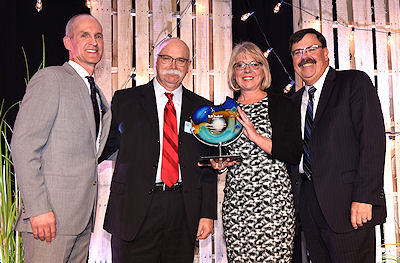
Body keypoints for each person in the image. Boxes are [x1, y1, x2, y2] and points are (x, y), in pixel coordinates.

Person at [99, 37, 217, 263]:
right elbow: (103, 146)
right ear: (155, 61)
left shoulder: (202, 108)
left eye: (181, 60)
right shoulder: (126, 100)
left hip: (183, 210)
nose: (174, 66)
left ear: (189, 66)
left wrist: (207, 213)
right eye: (167, 58)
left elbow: (207, 163)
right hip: (133, 210)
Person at [10, 14, 111, 262]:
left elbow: (95, 149)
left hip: (81, 220)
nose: (94, 42)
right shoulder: (50, 78)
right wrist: (38, 209)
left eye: (98, 36)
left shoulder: (96, 93)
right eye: (84, 35)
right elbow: (24, 147)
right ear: (68, 42)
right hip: (48, 220)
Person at [289, 28, 386, 263]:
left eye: (311, 49)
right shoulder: (292, 102)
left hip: (349, 204)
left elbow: (372, 142)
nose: (305, 57)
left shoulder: (353, 83)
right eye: (297, 52)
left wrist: (365, 197)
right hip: (308, 204)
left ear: (325, 54)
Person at [208, 41, 302, 262]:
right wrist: (218, 164)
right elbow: (216, 153)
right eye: (240, 65)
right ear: (233, 72)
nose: (247, 70)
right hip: (238, 203)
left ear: (263, 70)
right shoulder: (222, 111)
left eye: (254, 64)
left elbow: (293, 153)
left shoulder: (282, 105)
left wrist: (255, 136)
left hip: (274, 204)